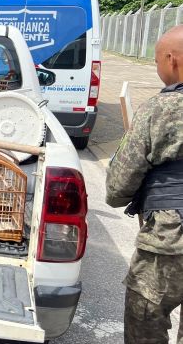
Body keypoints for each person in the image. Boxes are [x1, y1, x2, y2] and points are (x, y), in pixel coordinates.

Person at [106, 24, 183, 344]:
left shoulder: (162, 108)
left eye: (156, 61)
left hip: (170, 242)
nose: (157, 68)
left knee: (145, 320)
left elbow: (117, 186)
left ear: (172, 60)